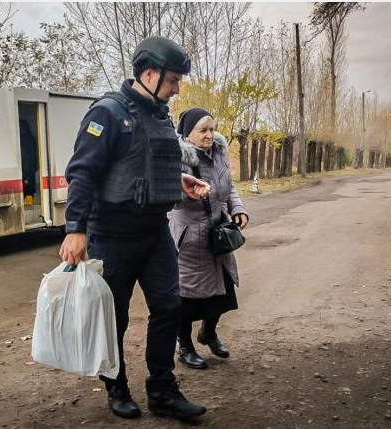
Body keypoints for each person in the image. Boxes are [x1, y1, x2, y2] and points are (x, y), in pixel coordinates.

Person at [59, 36, 210, 420]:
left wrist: (179, 181)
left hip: (154, 231)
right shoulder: (107, 113)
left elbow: (141, 163)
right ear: (149, 73)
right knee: (116, 318)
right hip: (111, 235)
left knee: (169, 307)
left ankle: (162, 391)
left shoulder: (158, 114)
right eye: (173, 80)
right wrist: (75, 229)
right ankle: (116, 385)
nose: (177, 89)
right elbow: (82, 173)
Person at [169, 108, 249, 369]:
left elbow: (229, 187)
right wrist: (188, 195)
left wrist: (237, 209)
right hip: (189, 236)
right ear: (187, 134)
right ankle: (185, 347)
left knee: (222, 291)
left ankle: (208, 333)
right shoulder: (177, 159)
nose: (210, 135)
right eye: (203, 130)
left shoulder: (219, 153)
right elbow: (171, 199)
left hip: (217, 233)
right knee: (188, 298)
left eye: (212, 129)